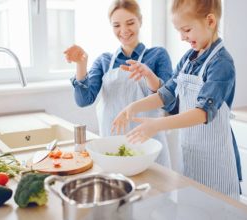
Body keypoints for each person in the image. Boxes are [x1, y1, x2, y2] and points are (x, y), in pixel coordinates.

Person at [112, 0, 242, 199]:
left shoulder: (221, 63)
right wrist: (132, 107)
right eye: (179, 31)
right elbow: (166, 94)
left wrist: (156, 125)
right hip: (191, 157)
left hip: (216, 164)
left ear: (210, 21)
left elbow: (202, 113)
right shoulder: (188, 59)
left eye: (187, 29)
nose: (182, 37)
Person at [64, 0, 172, 167]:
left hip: (150, 148)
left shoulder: (158, 55)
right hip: (112, 148)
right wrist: (81, 65)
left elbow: (168, 100)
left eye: (130, 23)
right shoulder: (104, 61)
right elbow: (83, 100)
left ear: (140, 21)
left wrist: (148, 74)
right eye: (116, 25)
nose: (124, 31)